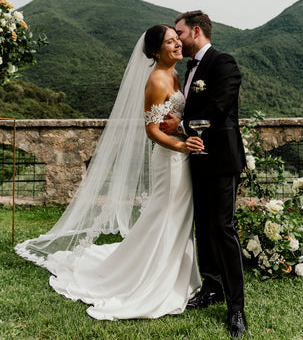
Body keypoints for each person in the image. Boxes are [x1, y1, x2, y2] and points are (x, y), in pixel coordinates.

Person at [15, 24, 204, 320]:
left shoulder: (175, 74)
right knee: (165, 214)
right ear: (156, 50)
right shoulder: (156, 80)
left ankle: (177, 273)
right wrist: (181, 147)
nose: (178, 44)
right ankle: (152, 277)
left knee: (177, 216)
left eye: (177, 39)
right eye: (170, 42)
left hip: (180, 156)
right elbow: (151, 131)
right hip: (169, 159)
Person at [160, 11, 247, 337]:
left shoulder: (224, 63)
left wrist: (181, 126)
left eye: (179, 33)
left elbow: (220, 107)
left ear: (196, 31)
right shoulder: (187, 68)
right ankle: (211, 287)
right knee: (204, 226)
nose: (177, 38)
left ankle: (236, 308)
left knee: (223, 228)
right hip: (195, 158)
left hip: (222, 159)